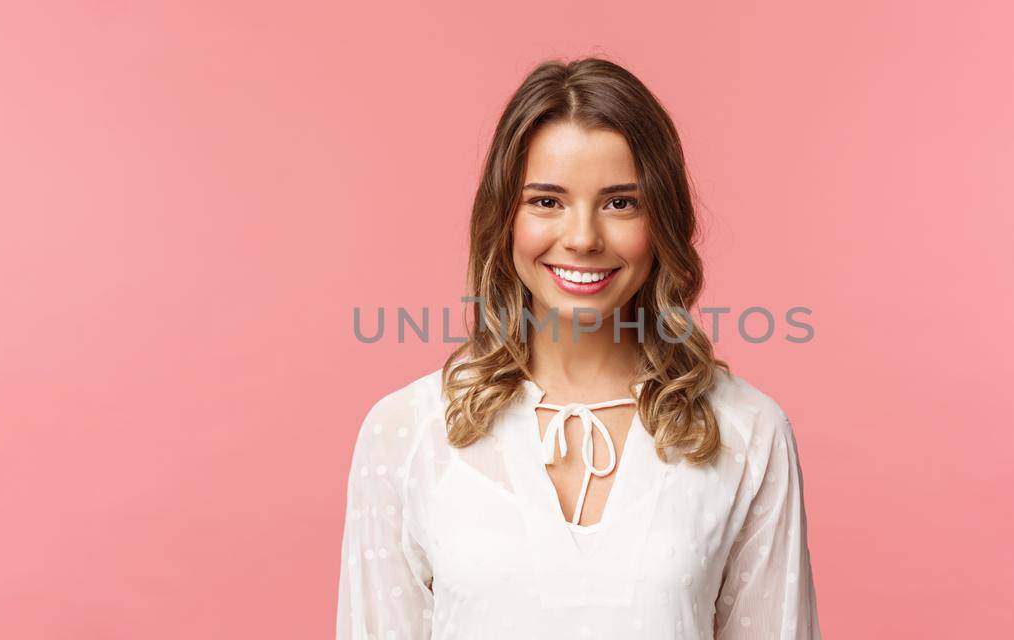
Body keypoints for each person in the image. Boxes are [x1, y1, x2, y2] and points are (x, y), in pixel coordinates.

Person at [336, 57, 820, 639]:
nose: (584, 238)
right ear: (504, 218)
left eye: (621, 203)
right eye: (547, 201)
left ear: (662, 219)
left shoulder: (748, 433)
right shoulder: (405, 433)